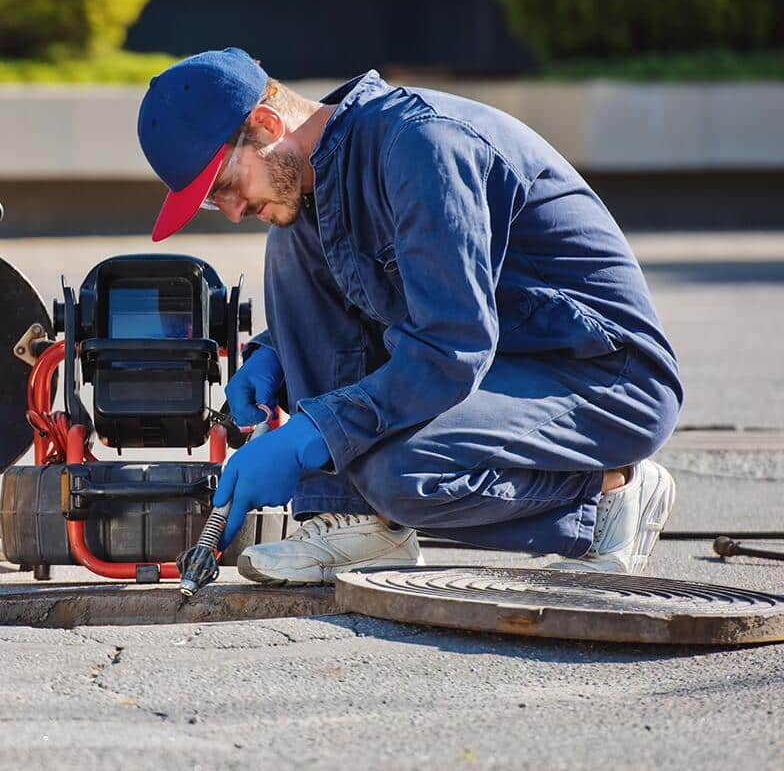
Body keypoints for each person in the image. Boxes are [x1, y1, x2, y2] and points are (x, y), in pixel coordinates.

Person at [137, 48, 683, 584]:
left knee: (403, 475)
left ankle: (612, 491)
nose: (230, 212)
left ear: (266, 122)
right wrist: (276, 354)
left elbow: (451, 347)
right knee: (289, 234)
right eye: (212, 202)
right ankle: (357, 521)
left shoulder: (422, 147)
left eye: (224, 188)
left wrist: (314, 434)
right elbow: (377, 299)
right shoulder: (316, 176)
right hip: (498, 361)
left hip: (603, 375)